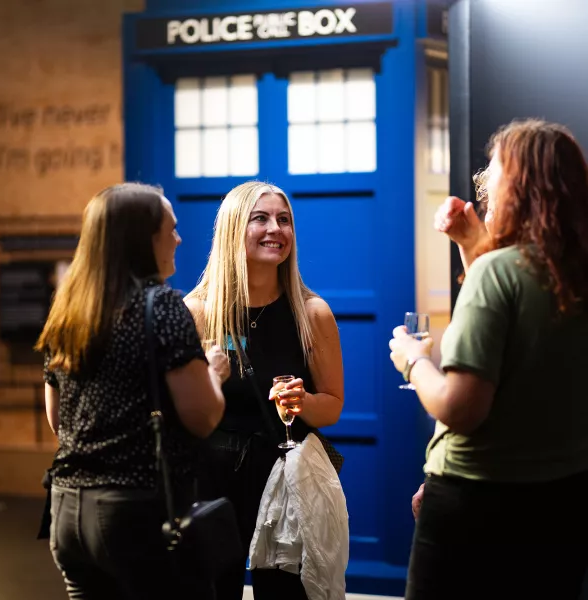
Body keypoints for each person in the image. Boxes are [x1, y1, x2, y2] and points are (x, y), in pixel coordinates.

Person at [390, 119, 588, 600]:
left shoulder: (500, 271)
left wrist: (414, 361)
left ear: (520, 186)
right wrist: (469, 243)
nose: (484, 181)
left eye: (495, 171)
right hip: (565, 499)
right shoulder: (572, 271)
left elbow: (463, 408)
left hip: (476, 499)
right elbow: (521, 335)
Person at [36, 182, 230, 600]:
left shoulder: (68, 310)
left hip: (67, 510)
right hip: (135, 513)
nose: (179, 238)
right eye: (171, 229)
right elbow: (202, 416)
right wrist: (214, 373)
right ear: (143, 238)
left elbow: (57, 420)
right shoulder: (160, 306)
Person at [184, 180, 345, 600]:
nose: (276, 229)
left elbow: (331, 407)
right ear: (234, 229)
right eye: (261, 218)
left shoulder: (312, 313)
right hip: (212, 480)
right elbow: (177, 411)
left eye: (284, 220)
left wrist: (304, 401)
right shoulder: (197, 313)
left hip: (283, 479)